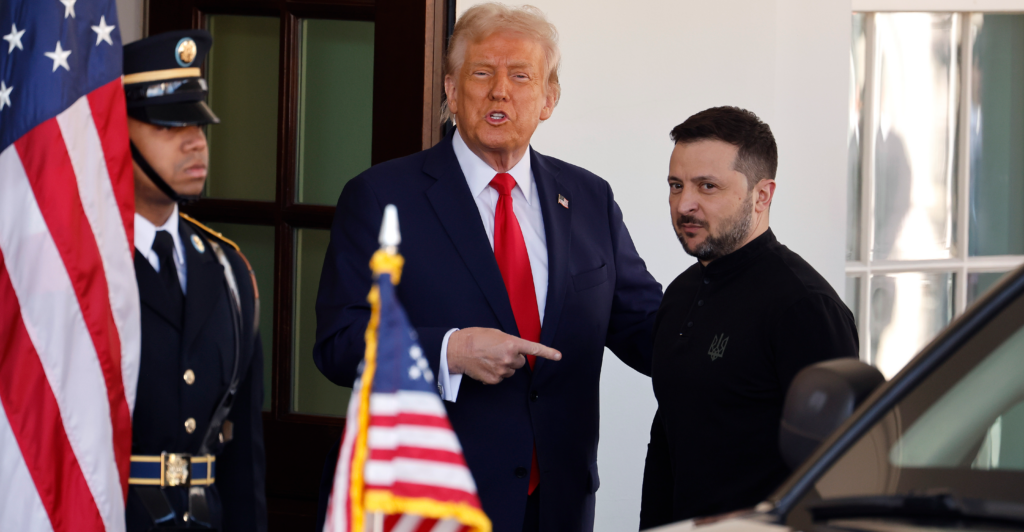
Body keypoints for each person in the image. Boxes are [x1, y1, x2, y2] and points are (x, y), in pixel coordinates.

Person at [313, 4, 662, 531]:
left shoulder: (589, 196)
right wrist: (449, 351)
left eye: (520, 76)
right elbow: (339, 344)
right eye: (482, 73)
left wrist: (743, 313)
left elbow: (646, 326)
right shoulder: (381, 196)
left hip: (556, 507)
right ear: (452, 92)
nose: (500, 91)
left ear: (549, 98)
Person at [639, 106, 859, 529]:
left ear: (762, 196)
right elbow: (667, 440)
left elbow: (840, 473)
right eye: (676, 185)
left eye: (707, 186)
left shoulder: (805, 307)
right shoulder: (680, 294)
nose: (685, 204)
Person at [123, 30, 267, 532]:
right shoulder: (82, 268)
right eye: (169, 125)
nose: (195, 141)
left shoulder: (228, 269)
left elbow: (243, 456)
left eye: (198, 124)